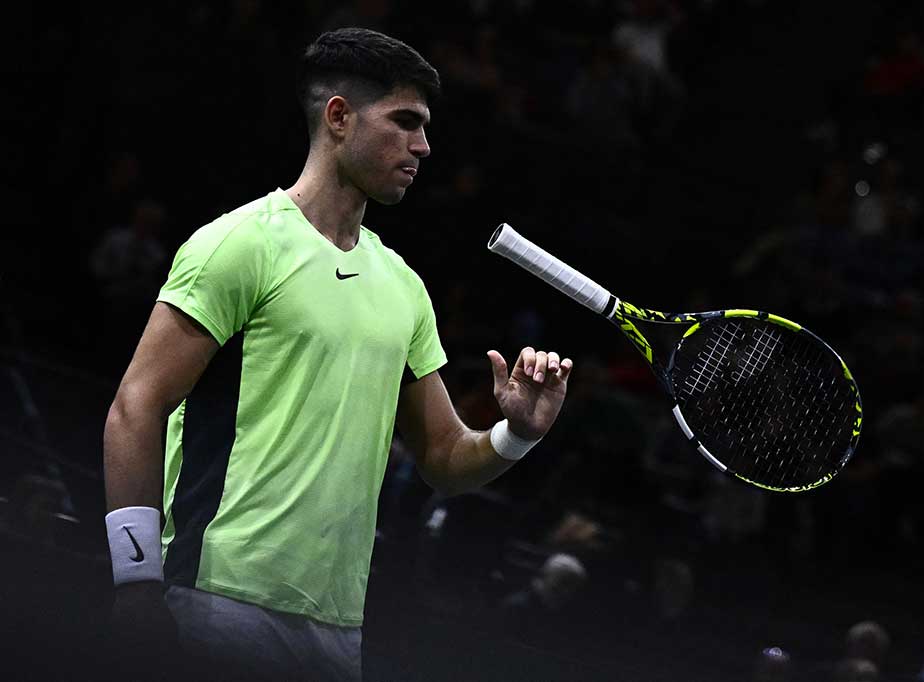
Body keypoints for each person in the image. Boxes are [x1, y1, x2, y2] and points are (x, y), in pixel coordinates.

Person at [102, 27, 574, 681]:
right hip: (214, 603)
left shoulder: (404, 287)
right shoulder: (240, 245)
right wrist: (134, 585)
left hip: (336, 632)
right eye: (405, 122)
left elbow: (442, 458)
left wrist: (515, 434)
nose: (424, 146)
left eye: (426, 128)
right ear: (339, 117)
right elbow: (136, 405)